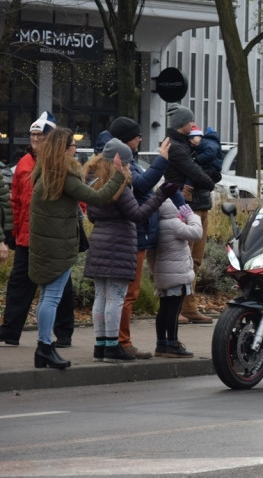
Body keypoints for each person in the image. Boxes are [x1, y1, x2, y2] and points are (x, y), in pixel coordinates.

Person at [29, 127, 128, 369]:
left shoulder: (44, 172)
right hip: (59, 246)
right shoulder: (64, 175)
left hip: (43, 244)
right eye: (72, 144)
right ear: (65, 149)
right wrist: (118, 174)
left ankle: (43, 348)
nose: (75, 148)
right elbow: (99, 197)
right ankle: (44, 346)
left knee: (45, 296)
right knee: (52, 297)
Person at [82, 138, 172, 362]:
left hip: (99, 245)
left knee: (100, 298)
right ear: (118, 163)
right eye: (129, 163)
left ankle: (100, 345)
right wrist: (160, 195)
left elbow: (91, 216)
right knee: (115, 298)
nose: (131, 167)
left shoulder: (93, 183)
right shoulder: (119, 187)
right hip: (118, 246)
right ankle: (112, 347)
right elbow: (138, 215)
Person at [0, 112, 76, 348]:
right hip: (26, 236)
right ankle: (10, 332)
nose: (34, 139)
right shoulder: (24, 163)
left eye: (39, 135)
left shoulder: (61, 165)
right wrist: (11, 231)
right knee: (19, 285)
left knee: (60, 288)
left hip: (53, 238)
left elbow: (77, 201)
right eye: (32, 135)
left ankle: (63, 334)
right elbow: (14, 200)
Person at [112, 116, 171, 359]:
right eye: (137, 136)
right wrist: (162, 161)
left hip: (135, 235)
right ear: (128, 139)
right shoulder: (123, 166)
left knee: (119, 293)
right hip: (133, 235)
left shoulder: (127, 161)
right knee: (128, 293)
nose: (140, 139)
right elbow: (141, 188)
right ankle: (121, 342)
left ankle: (112, 340)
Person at [162, 103, 217, 324]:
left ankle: (189, 306)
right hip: (187, 207)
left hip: (199, 204)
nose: (193, 125)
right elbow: (194, 172)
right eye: (189, 121)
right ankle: (177, 309)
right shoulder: (176, 146)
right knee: (182, 261)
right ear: (182, 124)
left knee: (195, 260)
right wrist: (209, 180)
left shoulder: (188, 144)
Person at [147, 195, 204, 357]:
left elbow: (151, 255)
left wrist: (156, 272)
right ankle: (173, 343)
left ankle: (161, 344)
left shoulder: (156, 226)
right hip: (178, 276)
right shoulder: (174, 224)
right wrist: (192, 216)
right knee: (174, 310)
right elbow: (196, 233)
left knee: (163, 309)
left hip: (163, 276)